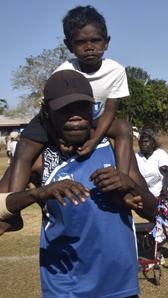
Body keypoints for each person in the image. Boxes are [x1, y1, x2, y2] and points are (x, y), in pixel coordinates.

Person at [0, 70, 155, 298]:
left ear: (93, 109)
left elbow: (152, 209)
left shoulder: (112, 148)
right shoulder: (39, 157)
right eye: (65, 110)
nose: (75, 117)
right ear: (47, 113)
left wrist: (129, 184)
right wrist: (37, 194)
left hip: (119, 296)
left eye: (82, 108)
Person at [6, 5, 133, 197]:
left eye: (96, 40)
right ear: (69, 45)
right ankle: (12, 201)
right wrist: (57, 138)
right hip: (55, 119)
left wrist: (94, 141)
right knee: (24, 148)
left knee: (124, 128)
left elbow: (110, 110)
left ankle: (123, 183)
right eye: (81, 41)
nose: (89, 46)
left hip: (93, 118)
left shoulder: (116, 71)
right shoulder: (63, 72)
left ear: (106, 42)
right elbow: (49, 111)